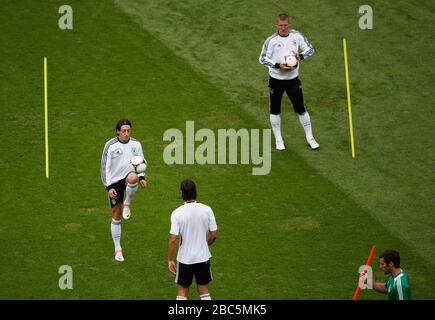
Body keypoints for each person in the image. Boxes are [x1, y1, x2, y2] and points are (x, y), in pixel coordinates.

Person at [259, 13, 319, 151]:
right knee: (275, 110)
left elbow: (311, 49)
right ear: (277, 25)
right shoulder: (271, 40)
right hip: (276, 80)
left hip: (293, 80)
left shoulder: (296, 36)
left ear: (289, 24)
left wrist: (301, 56)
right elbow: (262, 59)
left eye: (285, 25)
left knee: (301, 109)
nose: (283, 28)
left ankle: (310, 138)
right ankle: (279, 140)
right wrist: (278, 65)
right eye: (281, 25)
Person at [101, 119, 148, 262]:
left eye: (128, 130)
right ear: (118, 131)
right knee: (116, 214)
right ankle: (117, 249)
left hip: (128, 176)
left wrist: (142, 178)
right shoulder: (110, 146)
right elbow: (105, 168)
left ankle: (127, 202)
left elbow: (140, 163)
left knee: (133, 178)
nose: (126, 133)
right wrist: (108, 187)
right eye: (123, 131)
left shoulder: (136, 144)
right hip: (114, 182)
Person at [168, 179, 218, 300]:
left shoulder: (177, 213)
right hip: (203, 257)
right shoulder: (207, 209)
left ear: (182, 194)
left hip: (185, 259)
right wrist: (205, 244)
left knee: (182, 292)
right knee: (204, 291)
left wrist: (170, 260)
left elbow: (173, 239)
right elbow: (214, 234)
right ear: (195, 192)